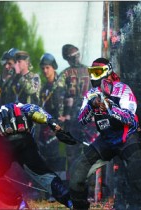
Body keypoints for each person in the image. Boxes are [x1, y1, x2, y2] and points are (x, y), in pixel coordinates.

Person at [69, 58, 141, 210]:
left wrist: (109, 107)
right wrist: (92, 104)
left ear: (107, 71)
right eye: (92, 72)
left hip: (126, 137)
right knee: (77, 172)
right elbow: (82, 120)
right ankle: (80, 207)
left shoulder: (123, 89)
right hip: (106, 140)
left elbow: (129, 118)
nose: (93, 76)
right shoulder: (91, 94)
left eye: (97, 72)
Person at [0, 94, 77, 209]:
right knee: (44, 174)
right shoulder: (13, 105)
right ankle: (71, 202)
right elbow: (35, 109)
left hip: (2, 144)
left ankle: (21, 204)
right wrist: (54, 125)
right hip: (25, 139)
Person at [57, 44, 98, 184]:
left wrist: (61, 115)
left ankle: (75, 186)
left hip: (72, 119)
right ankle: (91, 186)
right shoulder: (90, 71)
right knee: (90, 151)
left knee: (72, 154)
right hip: (88, 119)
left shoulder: (64, 74)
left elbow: (59, 96)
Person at [38, 53, 67, 193]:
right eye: (43, 68)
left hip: (61, 127)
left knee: (59, 159)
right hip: (46, 127)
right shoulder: (44, 89)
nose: (45, 71)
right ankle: (49, 190)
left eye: (47, 68)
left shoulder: (62, 84)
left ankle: (61, 189)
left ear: (53, 68)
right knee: (46, 158)